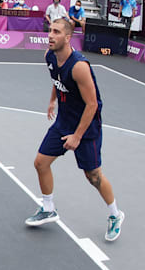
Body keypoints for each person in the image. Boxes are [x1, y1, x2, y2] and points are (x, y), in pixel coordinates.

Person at [26, 18, 124, 243]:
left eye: (57, 32)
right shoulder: (49, 56)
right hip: (63, 121)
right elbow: (57, 78)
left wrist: (77, 137)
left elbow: (93, 105)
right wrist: (52, 100)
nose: (50, 35)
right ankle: (48, 208)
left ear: (68, 38)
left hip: (86, 127)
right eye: (50, 31)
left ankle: (115, 215)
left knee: (93, 176)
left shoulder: (79, 66)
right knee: (40, 162)